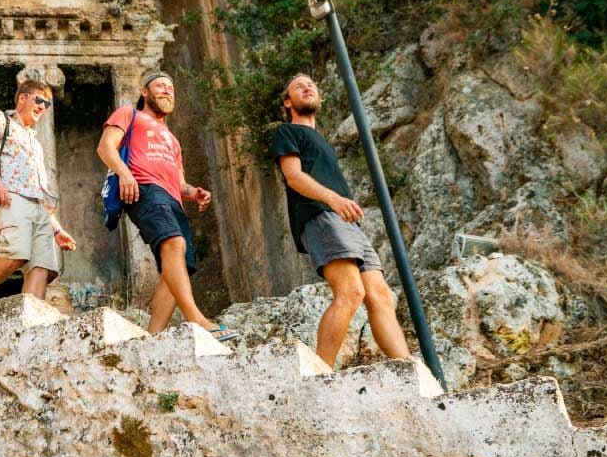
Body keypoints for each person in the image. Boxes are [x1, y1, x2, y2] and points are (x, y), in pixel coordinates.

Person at [272, 73, 411, 367]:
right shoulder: (287, 132)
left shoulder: (321, 140)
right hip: (320, 214)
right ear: (288, 101)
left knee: (381, 296)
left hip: (346, 223)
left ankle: (409, 369)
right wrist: (332, 199)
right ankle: (321, 372)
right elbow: (293, 177)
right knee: (350, 292)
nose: (308, 86)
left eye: (312, 83)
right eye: (298, 86)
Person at [97, 72, 239, 342]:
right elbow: (106, 147)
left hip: (172, 200)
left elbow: (180, 181)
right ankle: (197, 318)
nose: (167, 91)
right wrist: (125, 174)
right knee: (174, 244)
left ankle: (153, 337)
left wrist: (192, 192)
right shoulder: (129, 114)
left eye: (171, 88)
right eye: (160, 86)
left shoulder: (172, 140)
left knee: (176, 268)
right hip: (143, 189)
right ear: (145, 92)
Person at [0, 79, 77, 311]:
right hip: (10, 197)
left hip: (38, 208)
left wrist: (57, 230)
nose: (42, 106)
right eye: (38, 100)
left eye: (47, 104)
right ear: (23, 98)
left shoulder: (36, 142)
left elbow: (38, 192)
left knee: (42, 266)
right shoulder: (0, 119)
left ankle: (30, 321)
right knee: (16, 253)